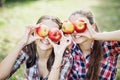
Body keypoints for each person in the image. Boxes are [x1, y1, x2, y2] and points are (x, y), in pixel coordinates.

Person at [0, 15, 71, 80]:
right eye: (45, 31)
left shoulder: (65, 58)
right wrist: (21, 43)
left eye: (52, 33)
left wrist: (58, 57)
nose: (46, 38)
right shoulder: (28, 50)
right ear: (35, 31)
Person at [61, 9, 120, 80]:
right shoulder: (69, 48)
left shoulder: (107, 45)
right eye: (72, 26)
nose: (75, 31)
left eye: (79, 25)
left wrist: (95, 35)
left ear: (92, 27)